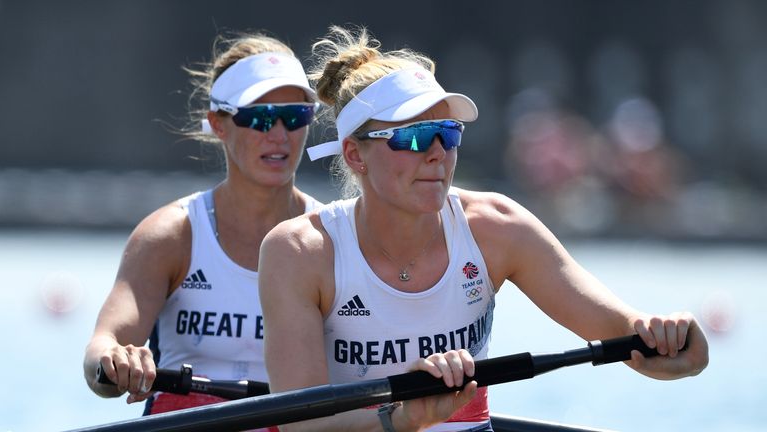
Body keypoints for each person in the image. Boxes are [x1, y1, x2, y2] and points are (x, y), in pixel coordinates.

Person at [258, 26, 709, 432]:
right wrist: (402, 420)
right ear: (356, 156)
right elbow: (303, 425)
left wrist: (667, 338)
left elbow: (623, 332)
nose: (437, 154)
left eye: (447, 134)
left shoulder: (496, 228)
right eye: (414, 137)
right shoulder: (299, 252)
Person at [83, 31, 321, 418]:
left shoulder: (332, 235)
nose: (280, 135)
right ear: (219, 123)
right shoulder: (171, 236)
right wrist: (116, 360)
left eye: (295, 116)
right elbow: (103, 347)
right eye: (259, 117)